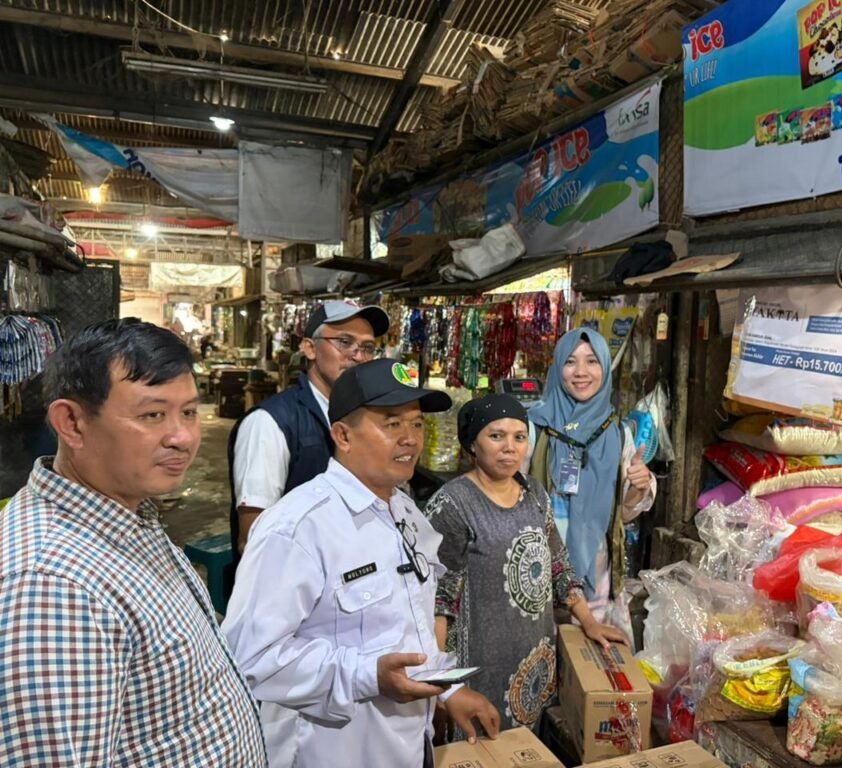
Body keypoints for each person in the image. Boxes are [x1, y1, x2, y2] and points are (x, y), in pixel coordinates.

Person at [0, 319, 266, 767]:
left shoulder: (126, 514)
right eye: (152, 415)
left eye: (189, 412)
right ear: (72, 423)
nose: (183, 437)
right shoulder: (52, 586)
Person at [222, 358, 500, 768]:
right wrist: (367, 675)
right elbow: (249, 657)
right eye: (392, 423)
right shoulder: (297, 527)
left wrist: (447, 690)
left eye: (417, 424)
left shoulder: (405, 512)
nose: (410, 439)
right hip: (332, 752)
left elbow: (410, 624)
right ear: (343, 435)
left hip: (408, 745)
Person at [427, 394, 626, 733]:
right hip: (479, 666)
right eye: (496, 436)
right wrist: (441, 685)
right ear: (473, 444)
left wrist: (588, 621)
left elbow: (558, 564)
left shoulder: (533, 492)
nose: (510, 447)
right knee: (482, 746)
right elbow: (437, 600)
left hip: (533, 660)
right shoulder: (452, 505)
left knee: (529, 749)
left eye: (519, 437)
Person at [229, 300, 390, 565]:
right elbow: (253, 541)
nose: (358, 356)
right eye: (345, 342)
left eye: (368, 348)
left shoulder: (363, 417)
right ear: (310, 348)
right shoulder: (270, 423)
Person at [528, 328, 656, 620]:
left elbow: (623, 515)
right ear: (557, 367)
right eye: (570, 361)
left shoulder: (619, 434)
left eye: (592, 361)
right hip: (538, 578)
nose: (581, 372)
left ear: (605, 368)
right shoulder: (533, 428)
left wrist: (638, 486)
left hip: (597, 583)